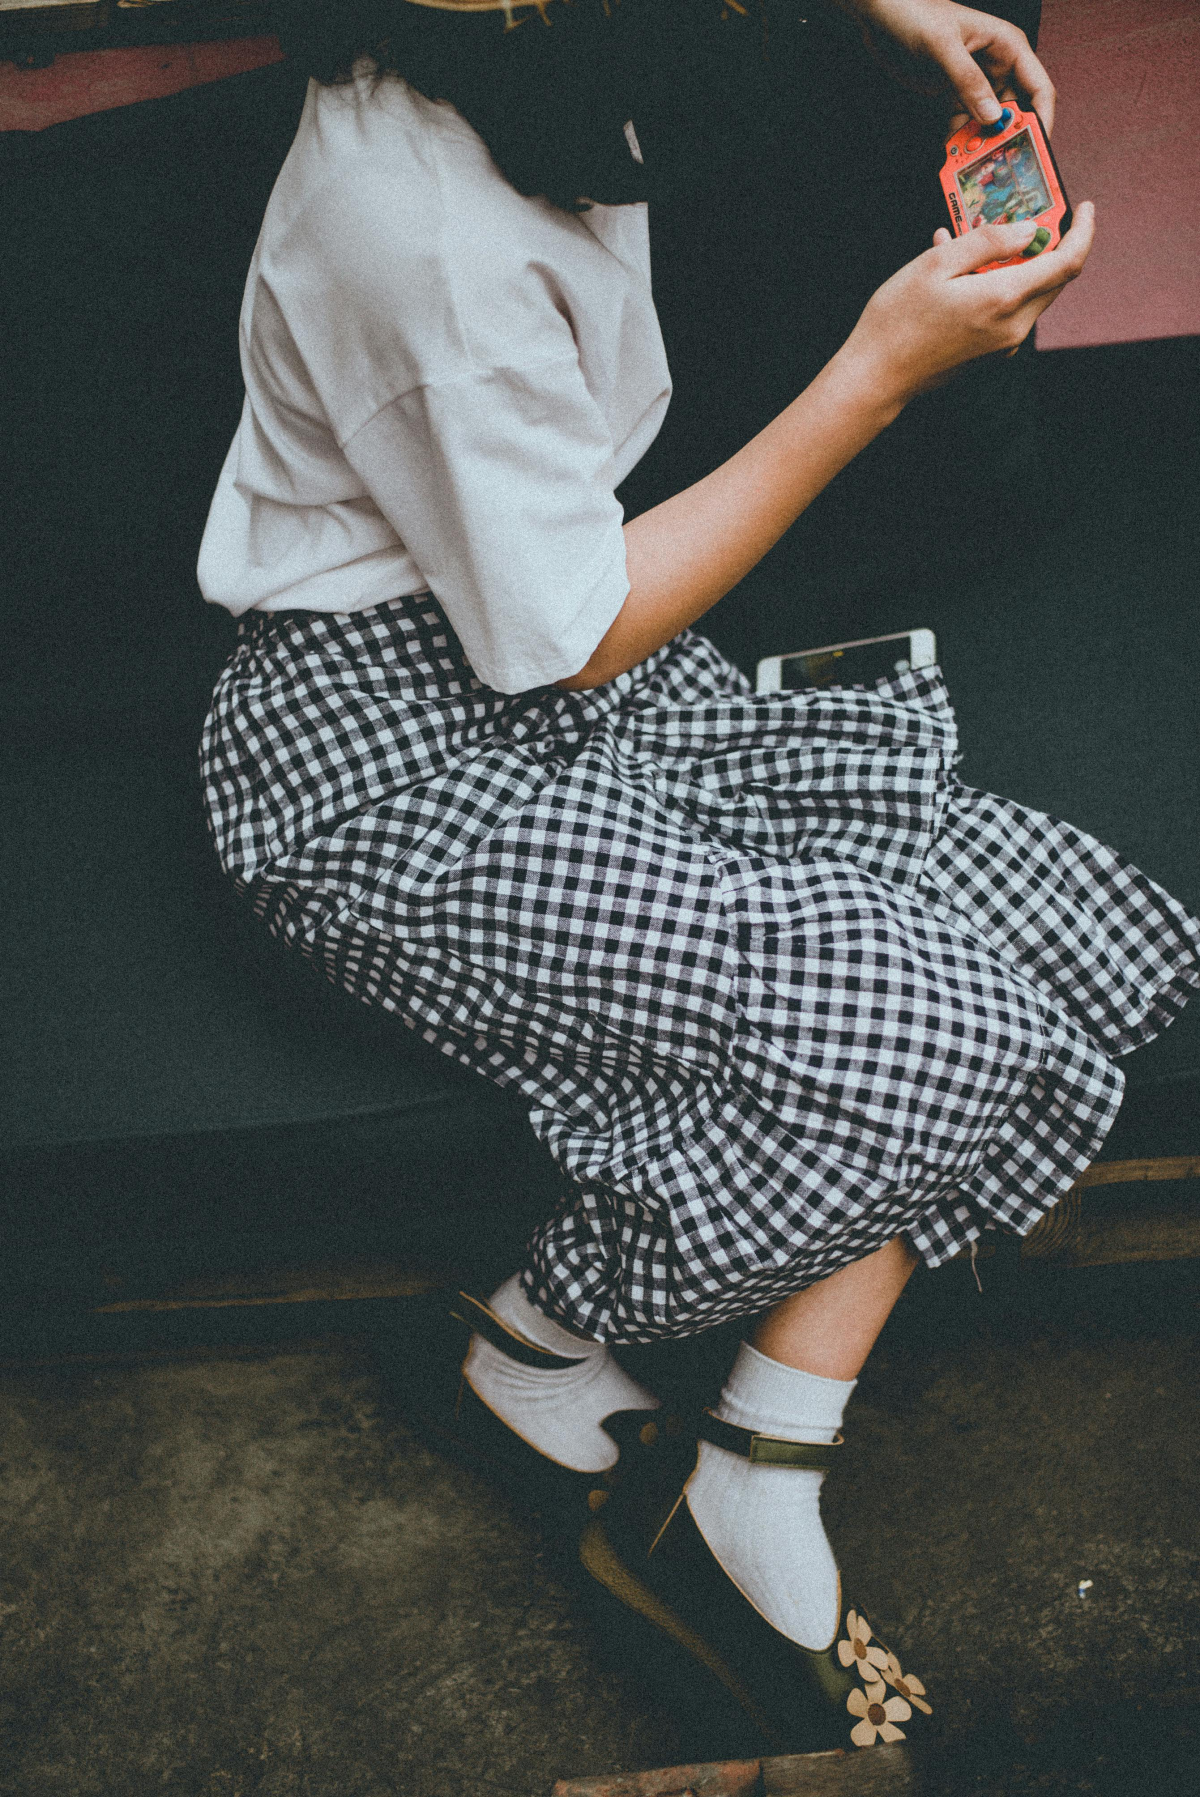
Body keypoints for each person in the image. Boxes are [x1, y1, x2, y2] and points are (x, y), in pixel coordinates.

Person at [196, 0, 1199, 1756]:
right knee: (940, 1029)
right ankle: (530, 1340)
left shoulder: (555, 62)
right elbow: (565, 641)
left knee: (1067, 927)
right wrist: (881, 369)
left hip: (565, 652)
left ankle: (751, 1459)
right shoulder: (411, 223)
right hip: (388, 759)